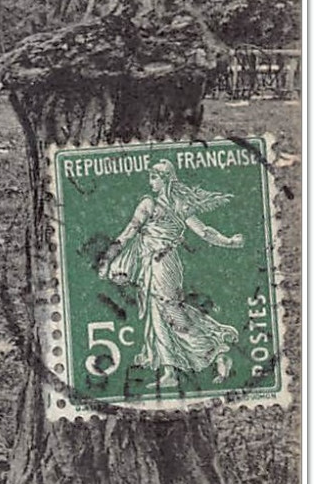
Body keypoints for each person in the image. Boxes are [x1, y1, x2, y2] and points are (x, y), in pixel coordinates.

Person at [98, 159, 243, 386]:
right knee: (161, 314)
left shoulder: (165, 205)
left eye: (154, 177)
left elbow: (204, 231)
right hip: (157, 264)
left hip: (163, 265)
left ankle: (214, 353)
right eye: (150, 177)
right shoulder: (161, 204)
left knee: (170, 313)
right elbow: (129, 233)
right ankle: (171, 372)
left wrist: (229, 242)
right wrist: (108, 259)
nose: (150, 182)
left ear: (165, 179)